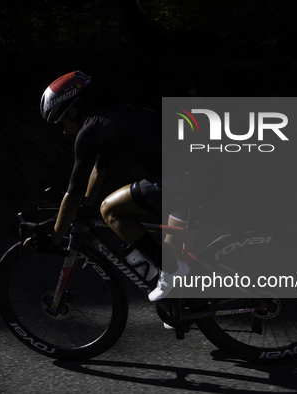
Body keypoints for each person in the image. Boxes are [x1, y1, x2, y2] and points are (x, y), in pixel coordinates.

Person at [23, 70, 189, 301]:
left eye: (60, 123)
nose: (62, 132)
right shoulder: (108, 118)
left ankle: (173, 272)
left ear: (71, 111)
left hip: (186, 178)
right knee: (168, 256)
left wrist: (54, 239)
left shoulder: (88, 134)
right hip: (196, 171)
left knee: (110, 209)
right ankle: (188, 308)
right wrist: (76, 210)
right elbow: (95, 177)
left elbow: (74, 194)